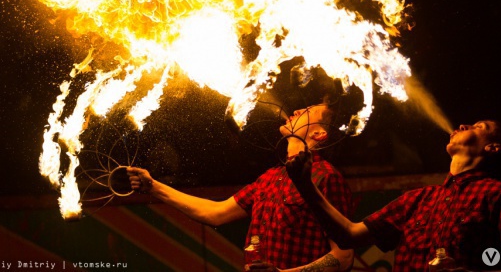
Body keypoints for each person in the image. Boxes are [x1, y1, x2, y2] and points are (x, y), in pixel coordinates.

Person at [286, 120, 501, 271]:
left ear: (493, 147)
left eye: (480, 127)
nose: (464, 124)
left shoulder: (499, 195)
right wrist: (304, 183)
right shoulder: (419, 199)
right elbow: (348, 235)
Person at [127, 103, 356, 271]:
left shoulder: (326, 177)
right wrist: (153, 187)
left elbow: (343, 256)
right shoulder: (269, 177)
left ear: (319, 134)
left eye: (308, 111)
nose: (297, 111)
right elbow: (215, 213)